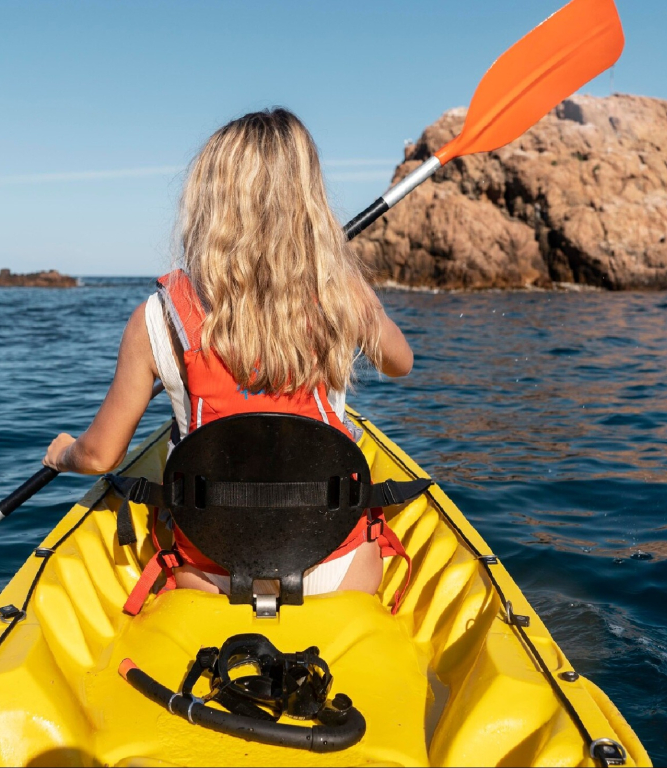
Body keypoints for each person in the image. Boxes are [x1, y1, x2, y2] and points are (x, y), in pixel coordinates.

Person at [43, 108, 413, 602]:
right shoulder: (343, 293)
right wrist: (348, 285)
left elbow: (99, 456)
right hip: (335, 564)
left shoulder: (156, 317)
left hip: (211, 567)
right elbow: (400, 363)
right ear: (308, 200)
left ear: (210, 201)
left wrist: (63, 452)